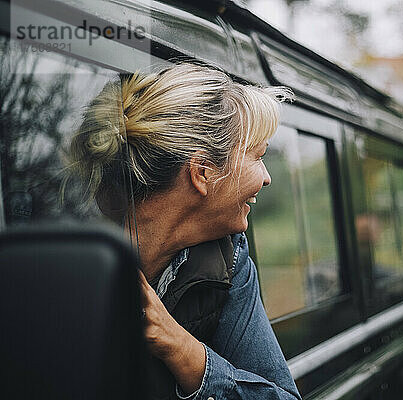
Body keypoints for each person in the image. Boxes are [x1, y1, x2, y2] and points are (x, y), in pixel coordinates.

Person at [67, 62, 300, 400]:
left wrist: (178, 346)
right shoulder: (68, 262)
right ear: (202, 172)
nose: (266, 178)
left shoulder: (230, 256)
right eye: (257, 156)